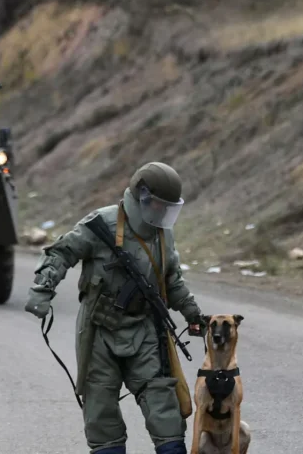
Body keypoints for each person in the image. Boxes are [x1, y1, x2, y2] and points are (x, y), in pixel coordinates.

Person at [24, 162, 205, 454]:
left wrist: (192, 312)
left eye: (167, 207)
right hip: (99, 331)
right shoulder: (102, 224)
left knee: (164, 408)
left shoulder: (162, 235)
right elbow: (61, 252)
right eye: (157, 204)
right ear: (141, 196)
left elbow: (171, 280)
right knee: (101, 411)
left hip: (145, 330)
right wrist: (42, 289)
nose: (161, 212)